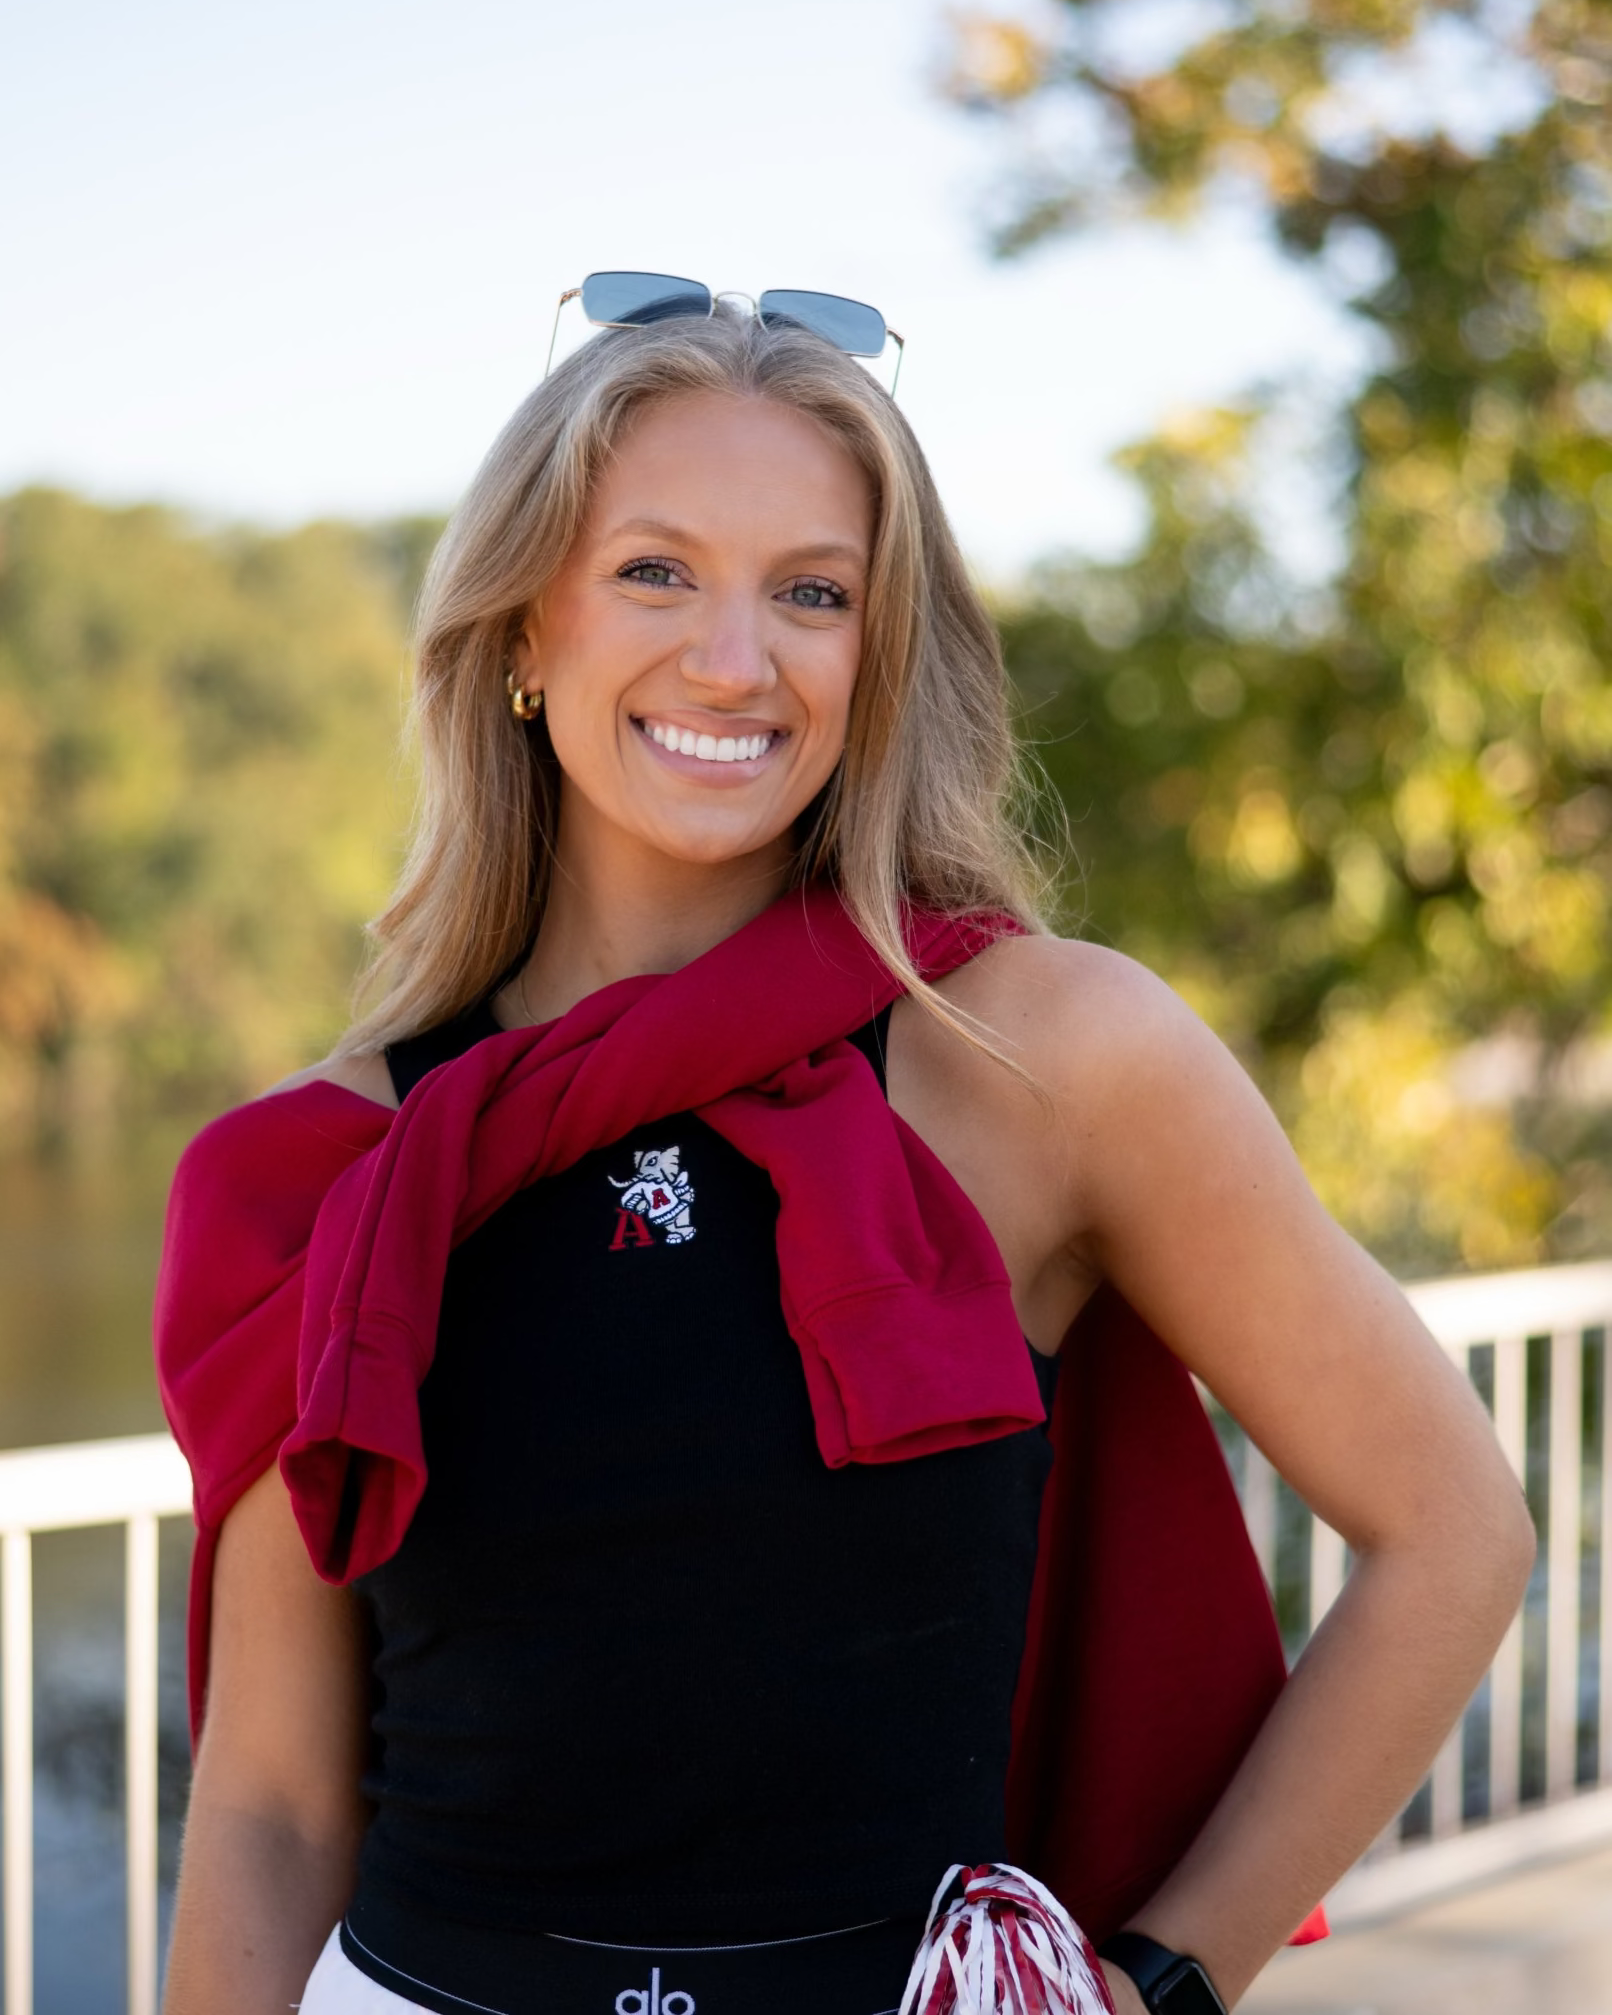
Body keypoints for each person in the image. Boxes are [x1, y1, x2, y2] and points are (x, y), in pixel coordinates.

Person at [155, 286, 1533, 2015]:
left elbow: (1453, 1528)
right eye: (654, 571)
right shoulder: (310, 1169)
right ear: (520, 630)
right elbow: (272, 1807)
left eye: (814, 592)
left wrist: (1157, 1983)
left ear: (879, 658)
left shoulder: (1048, 1059)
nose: (735, 660)